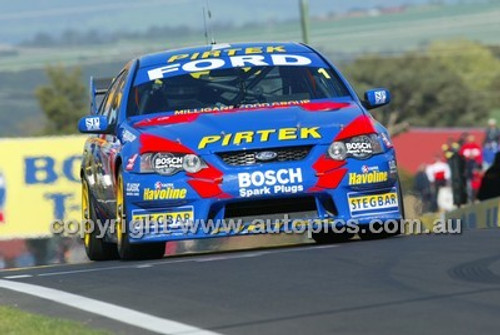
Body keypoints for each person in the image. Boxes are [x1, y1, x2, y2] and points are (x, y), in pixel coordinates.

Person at [459, 134, 483, 202]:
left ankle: (476, 197)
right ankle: (469, 198)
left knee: (476, 185)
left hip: (475, 168)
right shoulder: (465, 147)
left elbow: (480, 158)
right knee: (468, 185)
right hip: (467, 168)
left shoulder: (477, 147)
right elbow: (462, 156)